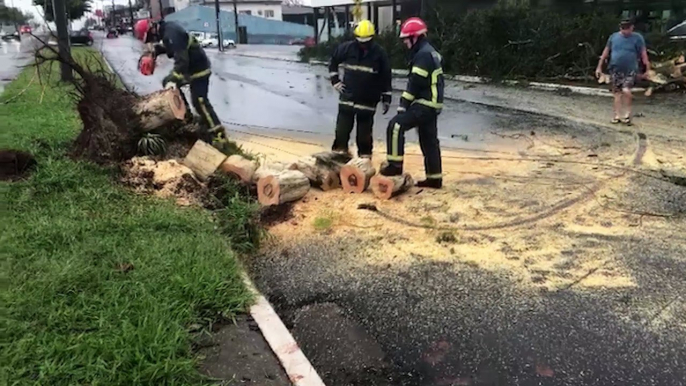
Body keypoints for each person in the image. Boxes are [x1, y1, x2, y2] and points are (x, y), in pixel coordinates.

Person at [380, 17, 444, 189]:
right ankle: (434, 178)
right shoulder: (430, 51)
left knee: (395, 126)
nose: (405, 43)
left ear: (415, 37)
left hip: (424, 103)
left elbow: (415, 84)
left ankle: (394, 166)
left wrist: (403, 105)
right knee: (429, 140)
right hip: (433, 104)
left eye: (406, 39)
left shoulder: (422, 55)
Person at [146, 20, 225, 143]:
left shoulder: (171, 33)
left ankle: (218, 134)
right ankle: (186, 117)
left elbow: (182, 60)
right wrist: (156, 51)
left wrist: (174, 78)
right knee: (167, 82)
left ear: (153, 29)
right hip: (190, 69)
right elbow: (172, 49)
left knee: (200, 101)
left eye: (151, 37)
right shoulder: (167, 31)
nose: (154, 39)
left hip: (199, 69)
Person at [329, 20, 392, 158]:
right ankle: (338, 161)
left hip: (367, 102)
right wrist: (335, 81)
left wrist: (386, 98)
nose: (363, 45)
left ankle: (364, 163)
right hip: (348, 100)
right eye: (361, 41)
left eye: (366, 42)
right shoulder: (346, 49)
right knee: (341, 133)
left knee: (364, 137)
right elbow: (333, 61)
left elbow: (386, 76)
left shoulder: (379, 54)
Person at [595, 18, 651, 125]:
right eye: (623, 28)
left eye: (627, 28)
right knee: (617, 93)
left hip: (630, 69)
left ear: (632, 28)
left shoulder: (637, 38)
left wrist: (647, 68)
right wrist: (599, 66)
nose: (625, 31)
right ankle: (617, 115)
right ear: (620, 28)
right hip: (615, 68)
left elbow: (643, 54)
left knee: (626, 89)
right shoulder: (613, 37)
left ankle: (627, 113)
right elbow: (605, 52)